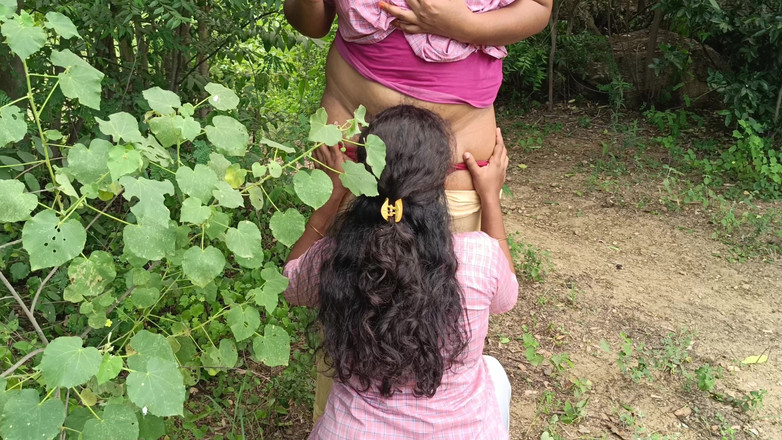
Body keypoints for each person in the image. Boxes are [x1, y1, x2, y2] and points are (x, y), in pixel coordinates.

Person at [283, 105, 519, 438]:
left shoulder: (335, 257)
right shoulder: (478, 257)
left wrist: (332, 195)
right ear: (441, 180)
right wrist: (490, 197)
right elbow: (507, 298)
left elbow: (289, 283)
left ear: (362, 174)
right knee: (493, 371)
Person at [284, 0, 553, 231]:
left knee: (450, 280)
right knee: (343, 278)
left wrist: (463, 25)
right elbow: (310, 22)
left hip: (460, 149)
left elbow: (538, 6)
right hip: (351, 139)